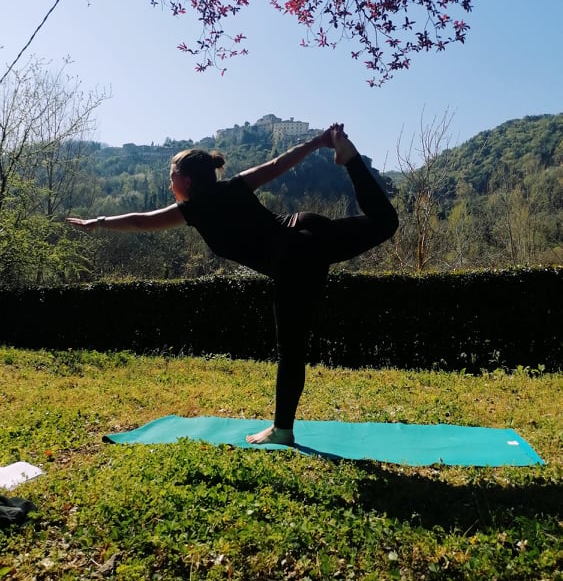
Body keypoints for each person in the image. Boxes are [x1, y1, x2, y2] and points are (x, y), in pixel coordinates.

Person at [67, 124, 398, 445]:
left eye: (171, 179)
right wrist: (318, 142)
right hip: (305, 226)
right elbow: (278, 164)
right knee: (385, 222)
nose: (169, 186)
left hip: (293, 257)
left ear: (185, 181)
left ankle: (282, 429)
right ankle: (350, 158)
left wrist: (98, 222)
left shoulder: (193, 210)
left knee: (291, 349)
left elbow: (143, 222)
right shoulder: (233, 186)